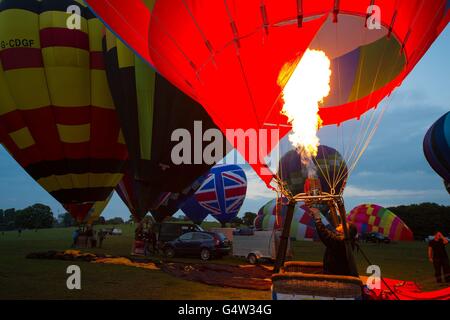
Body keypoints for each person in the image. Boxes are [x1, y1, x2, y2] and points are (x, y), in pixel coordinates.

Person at [310, 207, 359, 277]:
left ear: (346, 231)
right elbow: (328, 233)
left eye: (343, 225)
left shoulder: (342, 242)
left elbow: (325, 234)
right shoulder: (344, 240)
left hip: (335, 276)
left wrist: (318, 218)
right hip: (333, 272)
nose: (340, 224)